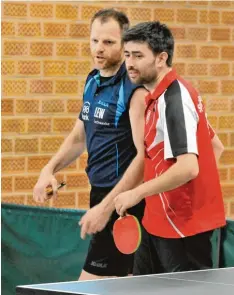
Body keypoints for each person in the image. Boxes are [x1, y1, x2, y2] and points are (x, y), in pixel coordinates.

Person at [33, 9, 148, 280]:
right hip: (100, 195)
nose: (99, 48)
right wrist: (48, 169)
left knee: (89, 287)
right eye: (95, 40)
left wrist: (107, 208)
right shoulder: (93, 80)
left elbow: (144, 159)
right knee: (126, 285)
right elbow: (79, 136)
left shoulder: (133, 90)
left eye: (108, 42)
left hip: (123, 203)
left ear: (125, 44)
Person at [114, 21, 226, 275]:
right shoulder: (159, 97)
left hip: (185, 228)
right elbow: (214, 147)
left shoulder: (175, 99)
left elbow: (188, 167)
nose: (130, 63)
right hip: (158, 220)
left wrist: (138, 193)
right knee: (142, 288)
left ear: (161, 58)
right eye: (127, 55)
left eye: (139, 56)